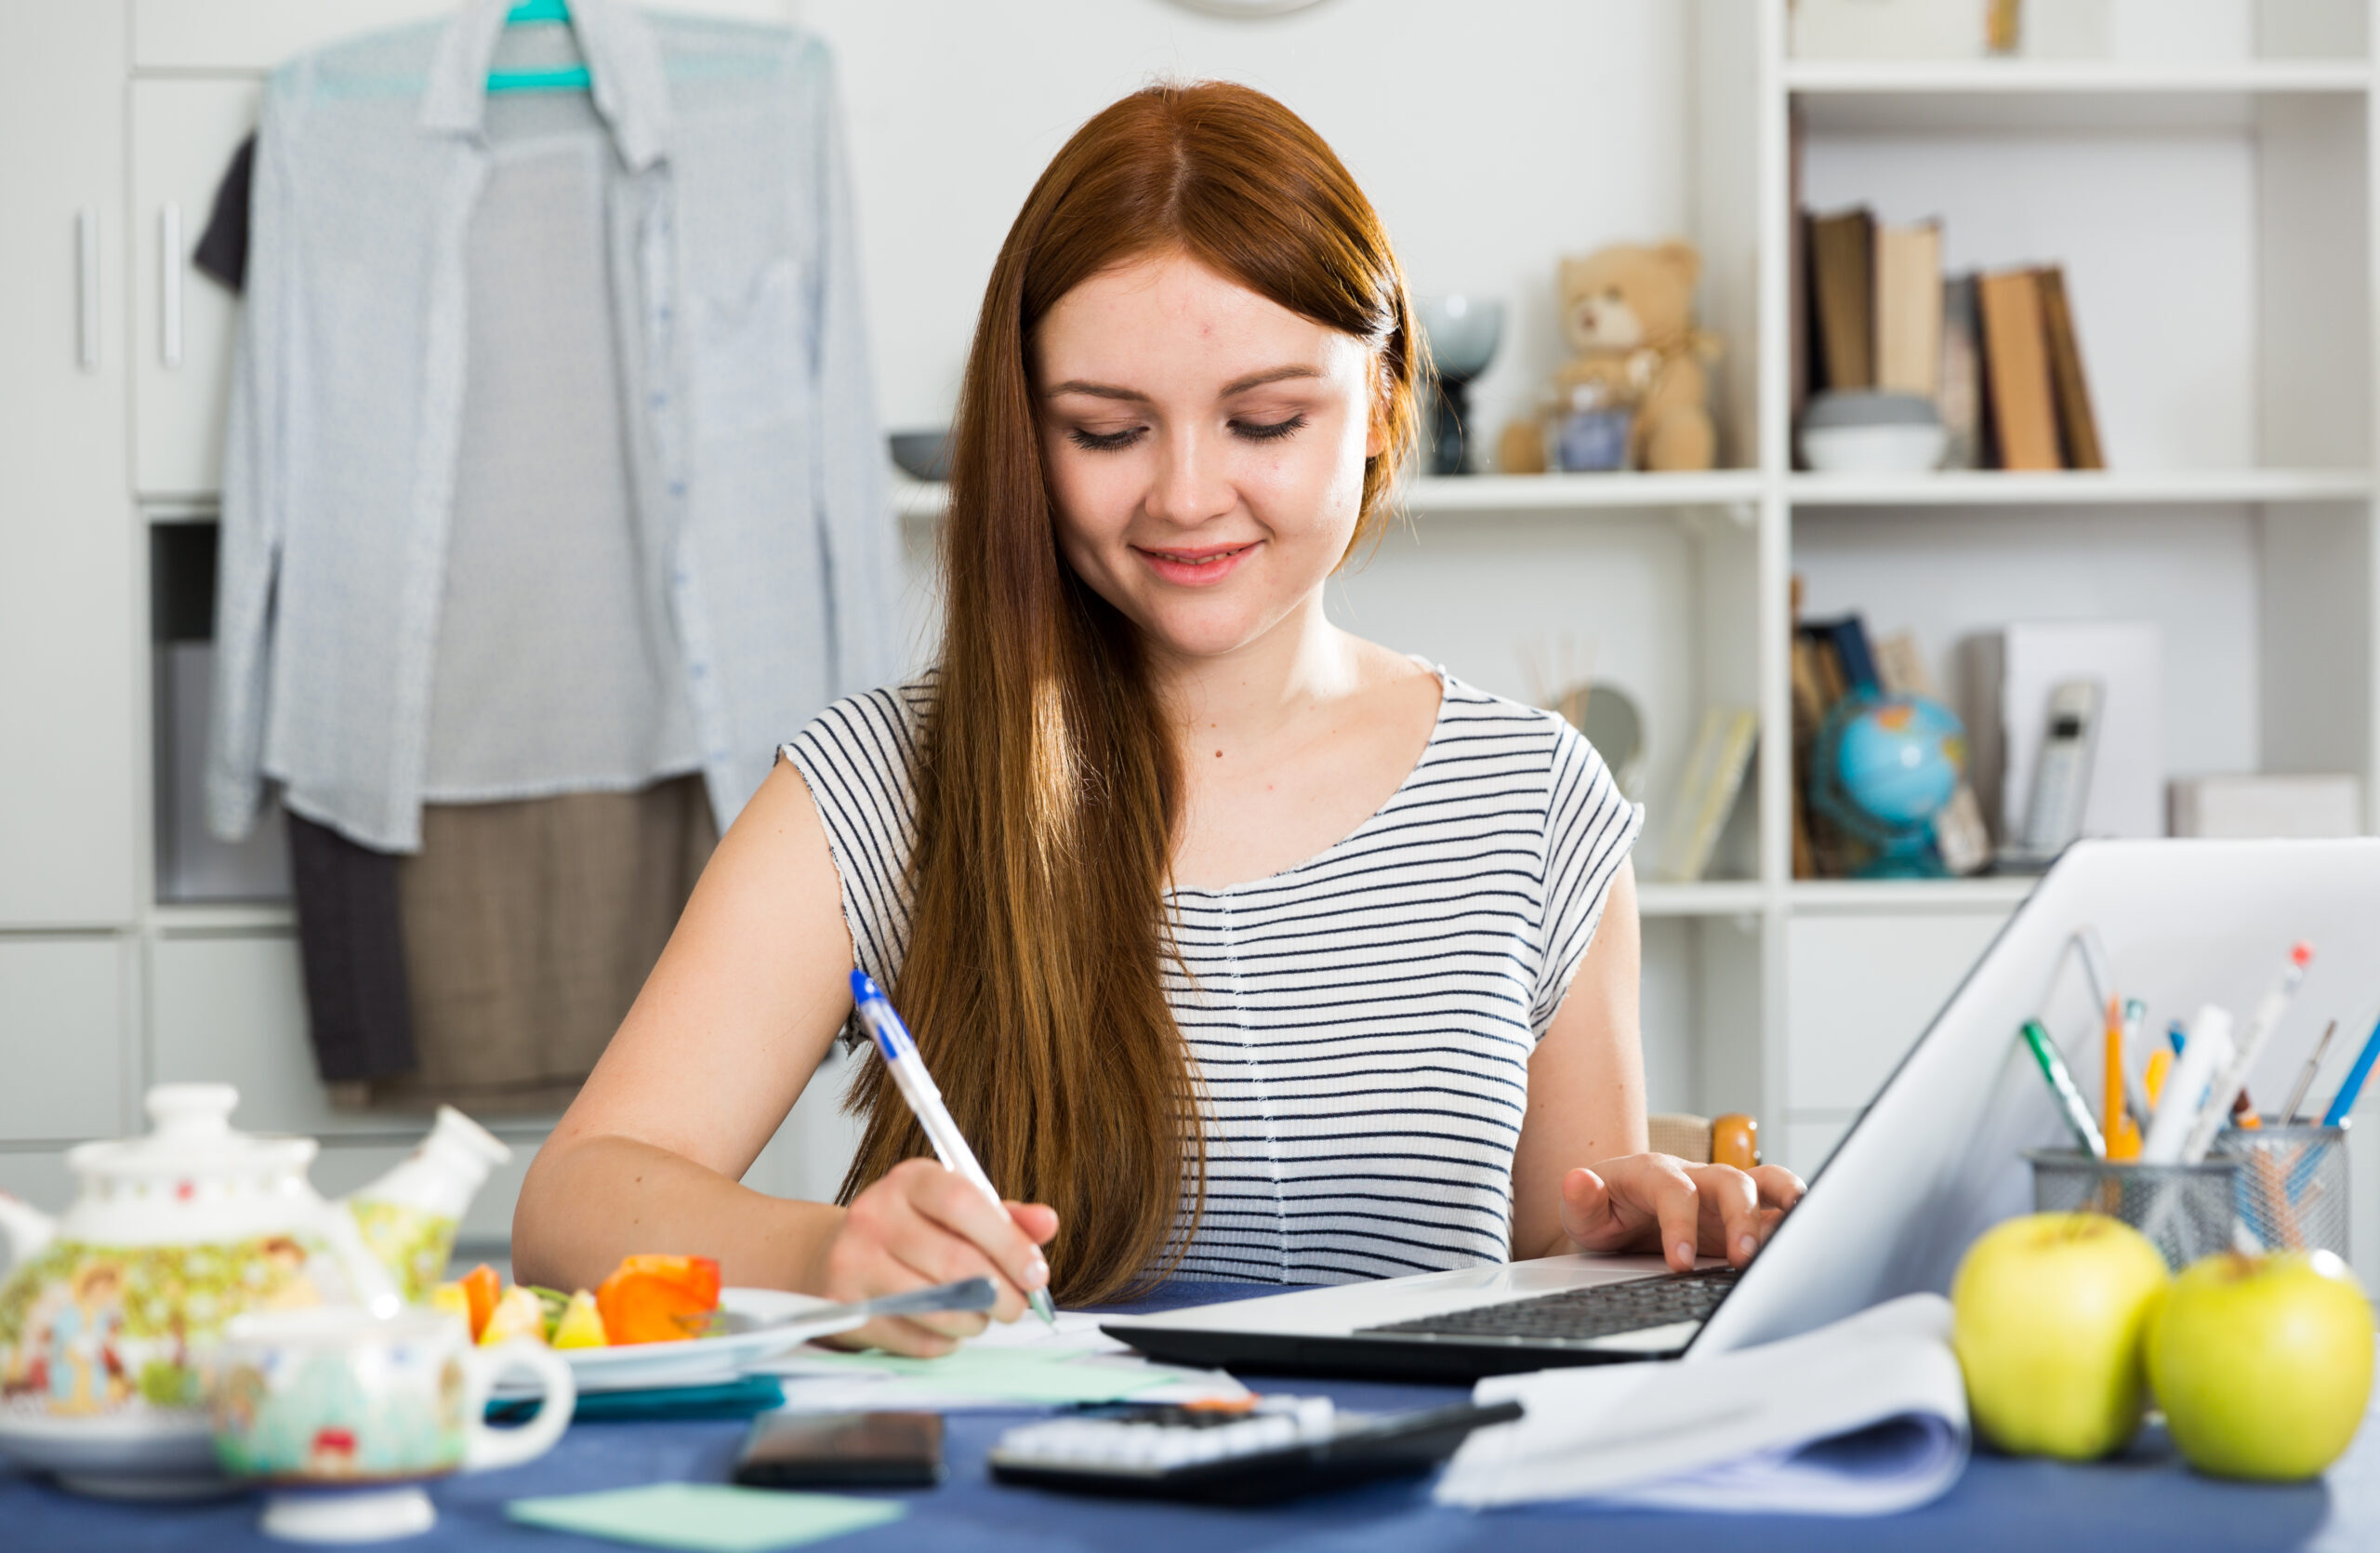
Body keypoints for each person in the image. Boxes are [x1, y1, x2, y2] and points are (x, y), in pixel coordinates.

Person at [514, 81, 1804, 1356]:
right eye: (1108, 429)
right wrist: (821, 1255)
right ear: (1029, 433)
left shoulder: (1535, 801)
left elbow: (1560, 1280)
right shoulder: (891, 780)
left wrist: (1644, 1246)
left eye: (1265, 419)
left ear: (1383, 402)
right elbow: (573, 1200)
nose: (1187, 495)